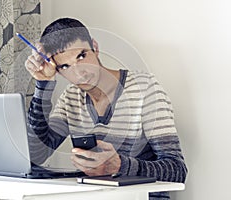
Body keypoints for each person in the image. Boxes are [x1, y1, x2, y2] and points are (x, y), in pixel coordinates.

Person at [25, 17, 187, 199]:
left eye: (82, 55)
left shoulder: (145, 88)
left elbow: (178, 170)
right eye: (65, 66)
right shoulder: (71, 98)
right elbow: (36, 155)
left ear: (95, 47)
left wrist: (119, 166)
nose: (79, 72)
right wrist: (43, 84)